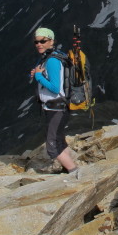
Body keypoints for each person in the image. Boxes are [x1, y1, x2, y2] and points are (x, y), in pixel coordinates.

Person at [30, 27, 79, 177]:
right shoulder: (54, 57)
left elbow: (54, 87)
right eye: (36, 42)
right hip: (57, 107)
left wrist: (38, 77)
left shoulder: (51, 61)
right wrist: (38, 73)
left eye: (43, 41)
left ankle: (74, 173)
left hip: (56, 107)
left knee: (51, 146)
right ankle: (68, 168)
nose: (39, 44)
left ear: (51, 41)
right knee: (59, 140)